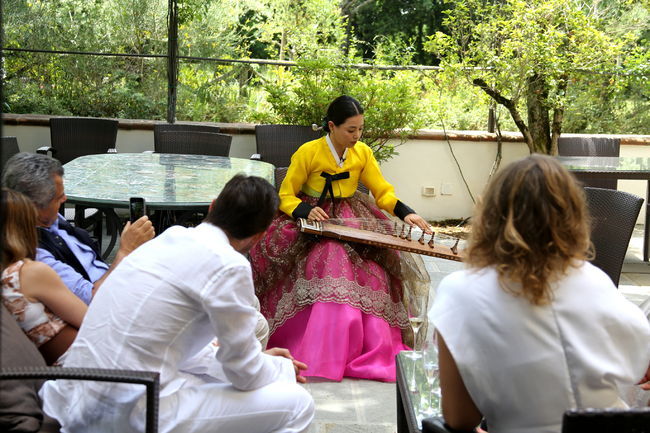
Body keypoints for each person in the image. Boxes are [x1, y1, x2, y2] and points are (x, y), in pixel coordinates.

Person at [39, 174, 314, 433]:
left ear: (212, 206)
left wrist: (268, 364)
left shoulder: (169, 238)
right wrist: (277, 370)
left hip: (77, 398)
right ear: (259, 236)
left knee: (228, 380)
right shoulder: (229, 265)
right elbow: (244, 374)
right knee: (298, 403)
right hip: (128, 409)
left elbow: (187, 348)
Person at [428, 154, 650, 433]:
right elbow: (637, 364)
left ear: (491, 216)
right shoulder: (596, 282)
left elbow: (461, 419)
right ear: (574, 219)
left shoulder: (459, 292)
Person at [250, 95, 431, 382]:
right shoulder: (309, 152)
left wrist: (405, 212)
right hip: (314, 216)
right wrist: (306, 210)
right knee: (330, 257)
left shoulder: (362, 153)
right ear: (332, 126)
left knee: (377, 264)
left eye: (360, 129)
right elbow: (285, 194)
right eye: (351, 130)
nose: (357, 136)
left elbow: (382, 192)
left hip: (352, 216)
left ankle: (370, 347)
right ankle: (320, 349)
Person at [2, 152, 154, 304]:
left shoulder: (48, 219)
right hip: (109, 299)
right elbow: (93, 300)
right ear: (34, 207)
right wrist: (126, 251)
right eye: (58, 198)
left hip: (114, 278)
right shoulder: (38, 257)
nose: (65, 198)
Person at [1, 188, 87, 365]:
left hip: (58, 368)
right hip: (89, 364)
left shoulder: (7, 275)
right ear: (24, 228)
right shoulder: (27, 272)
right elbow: (91, 321)